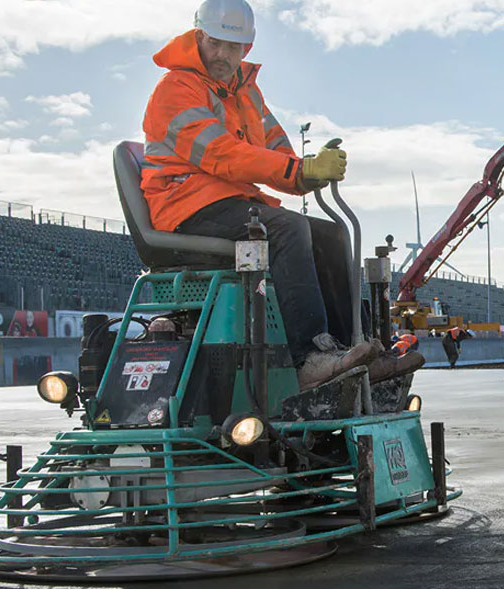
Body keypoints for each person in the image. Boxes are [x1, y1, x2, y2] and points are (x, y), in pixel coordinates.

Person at [140, 0, 421, 390]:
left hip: (235, 202)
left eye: (234, 47)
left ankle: (351, 352)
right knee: (288, 229)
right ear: (199, 37)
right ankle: (310, 359)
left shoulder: (246, 93)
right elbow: (221, 155)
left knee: (330, 234)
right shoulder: (175, 90)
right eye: (217, 43)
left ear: (247, 49)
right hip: (186, 204)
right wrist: (296, 170)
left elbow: (276, 151)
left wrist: (305, 174)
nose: (224, 55)